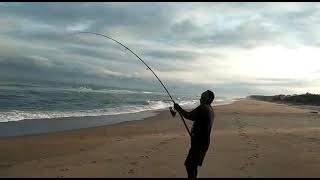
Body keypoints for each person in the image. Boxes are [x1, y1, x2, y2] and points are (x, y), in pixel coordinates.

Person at [174, 90, 215, 178]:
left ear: (207, 99)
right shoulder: (210, 110)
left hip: (199, 144)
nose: (200, 99)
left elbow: (189, 116)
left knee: (189, 166)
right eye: (200, 97)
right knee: (193, 166)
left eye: (202, 98)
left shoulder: (203, 108)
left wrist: (178, 108)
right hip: (203, 143)